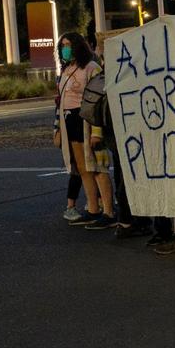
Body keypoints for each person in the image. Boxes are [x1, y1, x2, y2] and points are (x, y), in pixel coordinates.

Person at [54, 33, 117, 229]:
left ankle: (108, 211)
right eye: (62, 45)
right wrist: (56, 127)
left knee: (98, 167)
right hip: (69, 121)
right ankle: (92, 209)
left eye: (68, 45)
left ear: (78, 46)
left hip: (88, 121)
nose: (65, 48)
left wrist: (97, 131)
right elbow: (59, 101)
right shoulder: (66, 69)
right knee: (83, 169)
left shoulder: (92, 67)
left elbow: (100, 99)